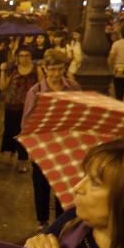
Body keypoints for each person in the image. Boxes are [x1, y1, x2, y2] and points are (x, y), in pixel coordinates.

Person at [23, 50, 81, 230]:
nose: (56, 74)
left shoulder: (73, 87)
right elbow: (27, 120)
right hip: (42, 143)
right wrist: (30, 148)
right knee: (41, 184)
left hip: (65, 143)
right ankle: (42, 221)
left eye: (60, 69)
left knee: (63, 185)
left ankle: (60, 220)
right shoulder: (36, 91)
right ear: (45, 69)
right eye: (53, 70)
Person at [0, 47, 39, 173]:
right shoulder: (12, 69)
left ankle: (22, 159)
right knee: (10, 131)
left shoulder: (36, 70)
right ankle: (9, 154)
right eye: (21, 55)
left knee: (24, 134)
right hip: (12, 106)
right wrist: (2, 71)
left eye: (27, 55)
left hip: (29, 108)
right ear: (17, 57)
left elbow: (42, 86)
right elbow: (2, 87)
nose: (24, 58)